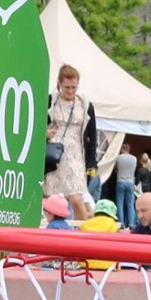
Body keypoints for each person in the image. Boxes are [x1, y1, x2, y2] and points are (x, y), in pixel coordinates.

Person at [45, 64, 96, 223]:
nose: (70, 91)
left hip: (76, 153)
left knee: (76, 197)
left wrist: (91, 162)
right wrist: (44, 133)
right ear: (59, 84)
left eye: (74, 87)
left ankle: (82, 231)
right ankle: (52, 229)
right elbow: (37, 123)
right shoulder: (50, 101)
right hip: (55, 152)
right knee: (52, 197)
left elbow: (92, 134)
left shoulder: (85, 104)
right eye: (67, 87)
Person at [113, 145, 139, 228]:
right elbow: (134, 170)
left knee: (120, 203)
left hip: (120, 181)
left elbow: (116, 169)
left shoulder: (118, 158)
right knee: (130, 204)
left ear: (122, 149)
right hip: (130, 182)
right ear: (128, 149)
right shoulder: (134, 158)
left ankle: (121, 223)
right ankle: (131, 223)